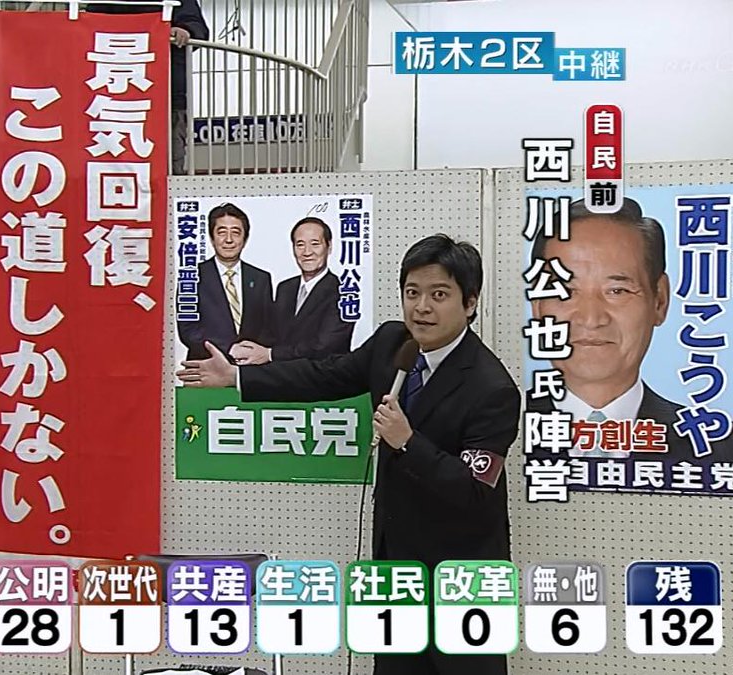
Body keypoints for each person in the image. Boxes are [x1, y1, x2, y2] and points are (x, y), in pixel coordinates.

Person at [178, 234, 519, 675]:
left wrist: (408, 441)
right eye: (412, 293)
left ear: (470, 303)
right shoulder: (393, 343)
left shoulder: (492, 388)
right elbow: (325, 374)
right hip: (396, 565)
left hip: (463, 575)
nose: (421, 308)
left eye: (439, 295)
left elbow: (473, 490)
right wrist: (238, 378)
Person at [526, 198, 733, 474]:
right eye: (566, 292)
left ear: (659, 301)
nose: (591, 319)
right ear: (537, 305)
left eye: (617, 291)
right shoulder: (492, 430)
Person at [87, 0, 209, 174]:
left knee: (169, 162)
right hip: (111, 97)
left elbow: (196, 26)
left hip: (168, 96)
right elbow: (90, 22)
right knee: (109, 160)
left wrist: (185, 30)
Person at [230, 216, 353, 365]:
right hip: (282, 374)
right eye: (300, 244)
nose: (307, 252)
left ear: (329, 246)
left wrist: (270, 354)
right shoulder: (285, 288)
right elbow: (271, 334)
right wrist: (246, 348)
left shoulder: (344, 293)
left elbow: (323, 346)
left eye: (315, 244)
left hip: (323, 375)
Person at [177, 202, 274, 361]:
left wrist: (252, 353)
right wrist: (229, 348)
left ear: (245, 239)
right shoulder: (192, 277)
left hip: (251, 367)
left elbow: (267, 327)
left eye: (236, 232)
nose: (229, 239)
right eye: (222, 232)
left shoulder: (261, 278)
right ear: (212, 238)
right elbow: (188, 330)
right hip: (205, 366)